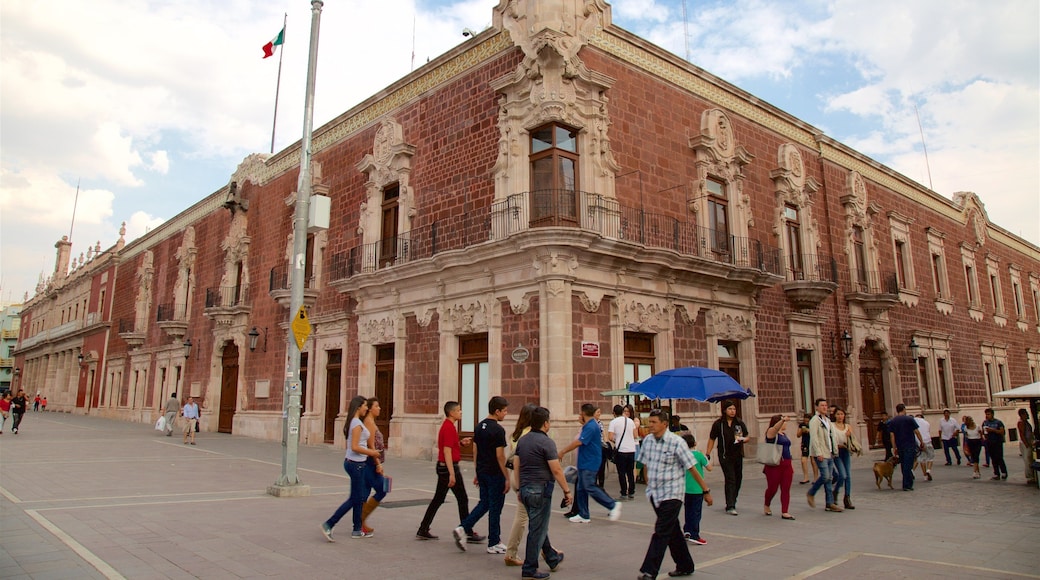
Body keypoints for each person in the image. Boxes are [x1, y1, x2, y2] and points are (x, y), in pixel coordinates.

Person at [636, 409, 714, 580]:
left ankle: (649, 571)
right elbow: (643, 464)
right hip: (655, 494)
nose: (650, 426)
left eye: (654, 422)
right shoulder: (647, 441)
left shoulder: (677, 442)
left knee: (661, 530)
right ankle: (685, 565)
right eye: (649, 422)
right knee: (673, 531)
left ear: (664, 424)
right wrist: (644, 481)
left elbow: (692, 468)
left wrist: (705, 490)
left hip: (673, 494)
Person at [513, 406, 570, 580]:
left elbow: (517, 464)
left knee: (538, 525)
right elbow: (556, 470)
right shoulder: (547, 442)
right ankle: (529, 569)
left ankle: (552, 558)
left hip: (525, 489)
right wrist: (567, 491)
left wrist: (519, 487)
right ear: (545, 423)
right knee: (537, 529)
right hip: (540, 489)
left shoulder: (523, 440)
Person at [416, 401, 480, 542]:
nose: (461, 412)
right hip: (448, 468)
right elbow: (447, 451)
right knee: (462, 499)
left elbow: (450, 447)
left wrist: (460, 443)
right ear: (451, 413)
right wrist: (452, 473)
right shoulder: (449, 427)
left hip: (444, 467)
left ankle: (423, 528)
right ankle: (466, 531)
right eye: (458, 410)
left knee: (439, 499)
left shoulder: (448, 426)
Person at [453, 396, 509, 553]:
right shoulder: (498, 430)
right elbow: (500, 455)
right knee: (495, 508)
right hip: (495, 473)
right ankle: (494, 542)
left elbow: (475, 450)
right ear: (497, 411)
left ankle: (463, 527)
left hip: (483, 471)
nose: (506, 413)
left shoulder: (479, 427)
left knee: (484, 503)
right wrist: (507, 476)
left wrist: (477, 471)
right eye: (504, 411)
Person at [321, 396, 381, 540]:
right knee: (355, 498)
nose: (366, 408)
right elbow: (354, 447)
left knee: (358, 498)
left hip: (357, 463)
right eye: (365, 405)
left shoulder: (355, 422)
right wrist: (372, 452)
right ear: (358, 407)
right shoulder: (356, 424)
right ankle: (329, 524)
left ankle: (357, 529)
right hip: (356, 464)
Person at [559, 403, 621, 524]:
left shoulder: (591, 426)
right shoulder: (589, 425)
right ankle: (584, 514)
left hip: (590, 462)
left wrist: (563, 451)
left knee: (589, 486)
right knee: (581, 488)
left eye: (580, 413)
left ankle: (612, 505)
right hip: (584, 462)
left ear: (584, 413)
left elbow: (579, 442)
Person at [504, 403, 537, 567]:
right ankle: (510, 553)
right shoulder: (529, 435)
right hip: (525, 477)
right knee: (523, 517)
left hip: (516, 476)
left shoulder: (515, 434)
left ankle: (547, 550)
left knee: (536, 516)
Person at [704, 400, 748, 515]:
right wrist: (708, 453)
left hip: (737, 455)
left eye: (734, 409)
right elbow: (712, 438)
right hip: (724, 455)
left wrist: (744, 439)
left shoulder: (739, 423)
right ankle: (730, 505)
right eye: (730, 409)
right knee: (730, 479)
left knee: (738, 478)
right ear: (724, 410)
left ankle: (733, 498)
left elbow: (747, 436)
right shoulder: (718, 424)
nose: (732, 411)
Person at [806, 398, 843, 511]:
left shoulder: (827, 420)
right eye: (822, 405)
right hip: (821, 453)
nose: (824, 407)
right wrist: (818, 453)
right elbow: (814, 438)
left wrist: (835, 450)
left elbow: (832, 436)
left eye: (826, 405)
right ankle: (811, 492)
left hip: (829, 452)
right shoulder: (815, 420)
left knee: (829, 478)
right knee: (826, 476)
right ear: (817, 407)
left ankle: (829, 503)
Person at [360, 397, 389, 535]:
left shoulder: (370, 422)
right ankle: (360, 520)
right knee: (383, 488)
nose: (379, 408)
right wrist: (378, 464)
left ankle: (360, 523)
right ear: (370, 409)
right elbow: (371, 445)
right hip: (370, 463)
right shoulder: (369, 423)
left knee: (364, 493)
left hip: (370, 462)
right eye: (376, 406)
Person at [762, 414, 796, 520]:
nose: (785, 423)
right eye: (783, 422)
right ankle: (767, 504)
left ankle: (785, 511)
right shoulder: (771, 432)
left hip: (787, 463)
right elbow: (774, 429)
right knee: (772, 488)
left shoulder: (784, 434)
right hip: (775, 464)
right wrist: (782, 420)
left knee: (786, 488)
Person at [681, 433, 711, 543]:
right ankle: (694, 534)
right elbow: (709, 468)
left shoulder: (682, 456)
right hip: (698, 488)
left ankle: (687, 530)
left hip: (685, 488)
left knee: (688, 510)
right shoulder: (699, 455)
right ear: (695, 443)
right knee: (696, 512)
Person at [889, 403, 925, 491]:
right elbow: (916, 431)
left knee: (904, 464)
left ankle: (907, 482)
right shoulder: (909, 419)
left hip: (900, 445)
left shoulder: (893, 421)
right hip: (909, 444)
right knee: (908, 465)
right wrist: (921, 441)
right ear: (904, 409)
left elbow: (892, 435)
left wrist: (894, 447)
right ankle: (907, 484)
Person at [609, 404, 637, 500]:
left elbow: (610, 437)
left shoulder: (613, 422)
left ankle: (624, 492)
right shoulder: (630, 421)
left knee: (621, 472)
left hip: (621, 450)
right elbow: (635, 435)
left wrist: (616, 440)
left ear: (614, 413)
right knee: (630, 472)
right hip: (631, 449)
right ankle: (631, 491)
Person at [831, 407, 857, 509]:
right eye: (838, 414)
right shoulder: (832, 426)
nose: (840, 416)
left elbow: (852, 440)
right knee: (842, 475)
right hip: (837, 452)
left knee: (848, 476)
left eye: (842, 414)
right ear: (834, 415)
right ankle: (836, 491)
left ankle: (847, 497)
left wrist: (849, 435)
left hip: (845, 451)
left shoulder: (848, 426)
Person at [981, 408, 1008, 480]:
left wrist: (993, 430)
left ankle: (1004, 472)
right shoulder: (985, 423)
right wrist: (984, 433)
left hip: (997, 442)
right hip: (989, 442)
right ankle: (996, 473)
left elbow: (1002, 432)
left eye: (989, 414)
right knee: (993, 458)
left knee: (999, 457)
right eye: (986, 414)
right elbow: (983, 431)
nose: (987, 416)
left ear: (992, 414)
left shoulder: (998, 422)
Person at [1017, 408, 1036, 484]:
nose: (1027, 415)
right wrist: (1027, 444)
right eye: (1026, 413)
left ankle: (1032, 475)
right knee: (1028, 460)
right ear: (1022, 415)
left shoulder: (1026, 422)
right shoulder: (1021, 423)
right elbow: (1022, 434)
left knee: (1030, 459)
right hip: (1026, 443)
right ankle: (1029, 476)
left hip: (1029, 442)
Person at [798, 413, 816, 484]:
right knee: (803, 460)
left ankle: (815, 478)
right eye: (805, 421)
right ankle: (806, 477)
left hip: (812, 443)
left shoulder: (814, 425)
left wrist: (809, 430)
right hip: (805, 443)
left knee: (813, 461)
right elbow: (798, 435)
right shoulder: (802, 425)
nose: (806, 423)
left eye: (807, 421)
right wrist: (802, 431)